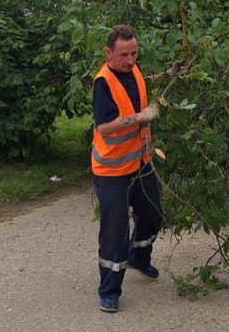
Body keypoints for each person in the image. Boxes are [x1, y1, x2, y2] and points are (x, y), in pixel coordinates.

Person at [91, 24, 163, 313]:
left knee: (153, 215)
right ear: (109, 53)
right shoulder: (103, 83)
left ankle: (139, 258)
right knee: (115, 232)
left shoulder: (133, 69)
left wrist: (169, 75)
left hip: (141, 163)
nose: (131, 59)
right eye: (124, 55)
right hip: (112, 171)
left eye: (134, 53)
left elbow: (141, 81)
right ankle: (109, 291)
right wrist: (140, 117)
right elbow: (104, 127)